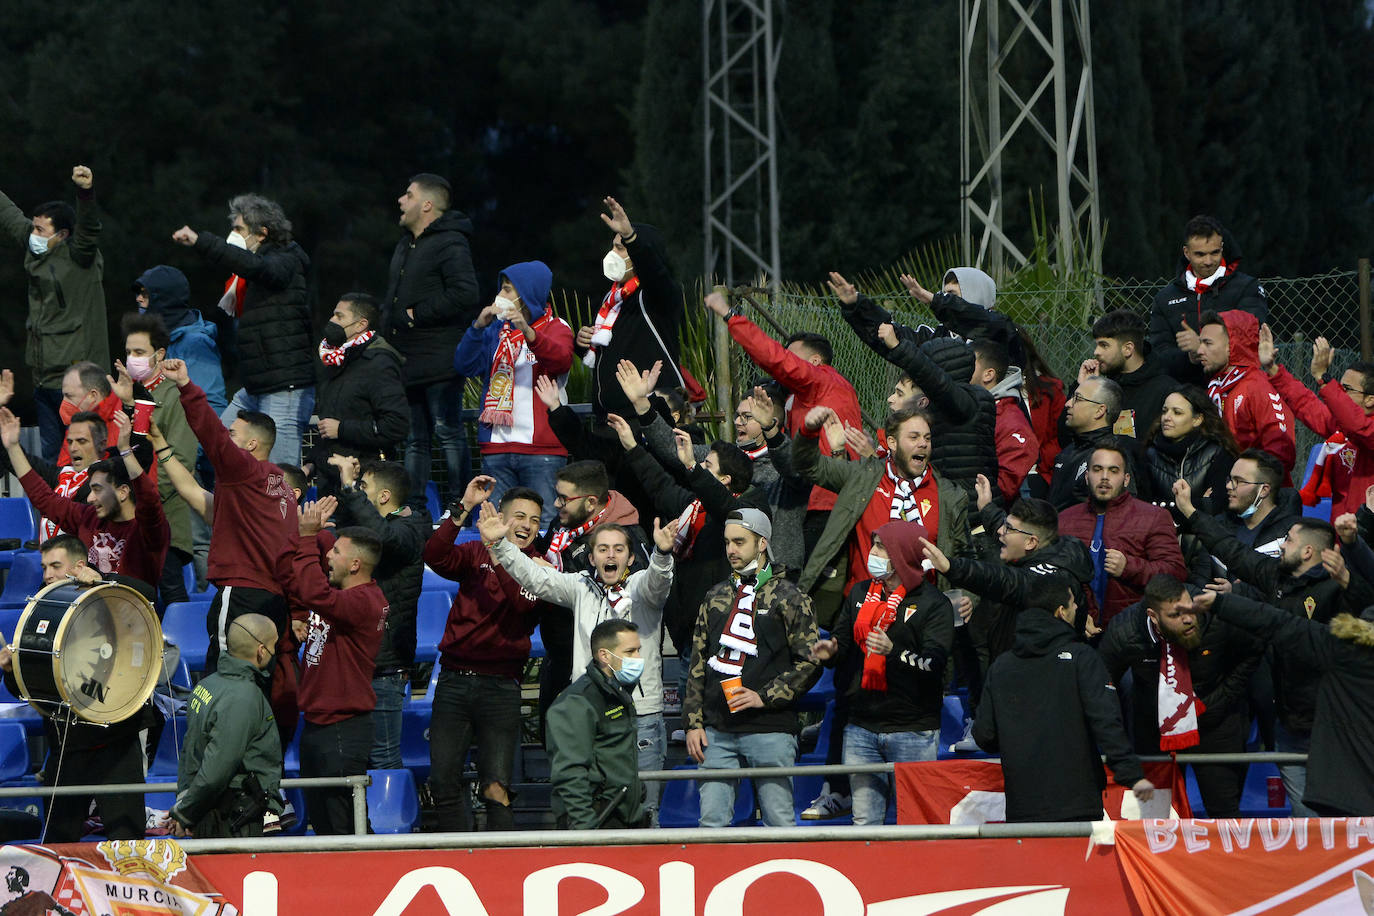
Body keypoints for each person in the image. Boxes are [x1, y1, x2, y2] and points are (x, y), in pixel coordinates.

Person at [1174, 482, 1371, 816]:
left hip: (1331, 729)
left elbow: (1366, 605)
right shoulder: (1277, 578)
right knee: (1308, 825)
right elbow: (1233, 550)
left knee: (1341, 825)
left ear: (1308, 552)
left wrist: (1352, 562)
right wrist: (1192, 512)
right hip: (1288, 725)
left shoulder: (1337, 590)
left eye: (1289, 540)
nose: (1281, 545)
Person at [483, 506, 677, 824]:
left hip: (640, 715)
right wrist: (500, 545)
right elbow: (536, 578)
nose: (610, 555)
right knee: (593, 805)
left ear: (630, 558)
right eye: (602, 549)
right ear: (591, 558)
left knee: (644, 808)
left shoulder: (642, 587)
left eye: (618, 549)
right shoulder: (580, 586)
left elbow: (658, 582)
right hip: (589, 715)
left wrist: (662, 554)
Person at [973, 572, 1154, 822]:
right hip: (1077, 805)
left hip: (1022, 805)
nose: (1078, 607)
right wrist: (1132, 774)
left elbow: (984, 735)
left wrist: (1018, 741)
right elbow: (1106, 721)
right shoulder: (1082, 658)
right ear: (1061, 612)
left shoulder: (1001, 666)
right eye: (1073, 603)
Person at [809, 522, 954, 826]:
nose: (871, 553)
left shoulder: (934, 604)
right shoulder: (860, 593)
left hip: (913, 729)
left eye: (880, 547)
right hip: (861, 726)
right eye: (873, 545)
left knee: (916, 824)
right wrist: (832, 651)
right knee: (864, 824)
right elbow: (843, 640)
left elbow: (934, 665)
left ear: (901, 555)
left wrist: (894, 651)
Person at [684, 509, 820, 827]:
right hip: (717, 731)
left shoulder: (791, 596)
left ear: (762, 543)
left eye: (740, 542)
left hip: (771, 727)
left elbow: (811, 662)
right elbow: (698, 663)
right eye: (728, 542)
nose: (731, 549)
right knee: (710, 826)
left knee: (780, 824)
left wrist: (764, 696)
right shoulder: (715, 596)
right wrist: (693, 722)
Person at [159, 358, 298, 669]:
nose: (227, 438)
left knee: (227, 675)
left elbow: (212, 436)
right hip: (273, 597)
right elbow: (197, 497)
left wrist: (185, 386)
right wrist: (161, 447)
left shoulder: (244, 470)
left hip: (242, 594)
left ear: (251, 444)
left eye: (233, 434)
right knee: (258, 681)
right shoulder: (276, 486)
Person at [423, 476, 544, 831]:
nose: (526, 526)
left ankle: (500, 871)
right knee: (442, 782)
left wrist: (501, 553)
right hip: (453, 681)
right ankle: (456, 860)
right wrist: (463, 506)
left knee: (496, 787)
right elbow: (434, 555)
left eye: (535, 520)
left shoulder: (542, 566)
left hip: (502, 687)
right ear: (500, 518)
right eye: (519, 517)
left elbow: (523, 606)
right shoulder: (475, 551)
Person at [1191, 587, 1374, 815]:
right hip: (1349, 789)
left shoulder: (1343, 648)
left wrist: (1221, 603)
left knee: (1319, 838)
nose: (1282, 547)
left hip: (1348, 795)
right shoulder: (1341, 649)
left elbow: (1278, 622)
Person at [1099, 575, 1262, 817]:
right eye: (1175, 616)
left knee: (1224, 812)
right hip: (1155, 729)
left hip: (1214, 722)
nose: (1187, 619)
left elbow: (1254, 650)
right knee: (1157, 813)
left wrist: (1221, 698)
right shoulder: (1125, 631)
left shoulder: (1217, 615)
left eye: (1189, 610)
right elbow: (1103, 681)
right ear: (1153, 617)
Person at [172, 193, 314, 468]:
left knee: (280, 476)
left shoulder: (285, 261)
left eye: (238, 229)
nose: (232, 235)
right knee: (215, 446)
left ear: (262, 233)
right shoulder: (257, 270)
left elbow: (255, 266)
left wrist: (202, 242)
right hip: (257, 385)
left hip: (284, 387)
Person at [701, 290, 862, 530]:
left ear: (816, 361)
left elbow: (774, 358)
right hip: (825, 499)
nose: (787, 364)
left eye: (793, 357)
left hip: (829, 503)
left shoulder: (821, 381)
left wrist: (730, 315)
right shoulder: (805, 397)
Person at [795, 405, 969, 625]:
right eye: (914, 437)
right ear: (892, 443)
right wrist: (808, 432)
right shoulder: (862, 477)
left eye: (927, 438)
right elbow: (808, 466)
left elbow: (967, 557)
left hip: (919, 619)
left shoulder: (949, 497)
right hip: (861, 610)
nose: (923, 443)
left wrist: (969, 598)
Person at [831, 273, 998, 497]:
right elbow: (893, 338)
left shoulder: (998, 336)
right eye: (942, 294)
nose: (944, 300)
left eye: (953, 295)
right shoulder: (937, 338)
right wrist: (858, 307)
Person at [287, 504, 389, 835]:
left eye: (336, 551)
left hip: (343, 728)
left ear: (355, 564)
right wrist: (311, 530)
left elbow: (312, 591)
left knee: (345, 825)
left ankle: (373, 881)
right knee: (325, 824)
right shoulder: (346, 592)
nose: (328, 555)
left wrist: (307, 536)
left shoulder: (364, 602)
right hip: (318, 725)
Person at [382, 173, 480, 506]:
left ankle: (460, 505)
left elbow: (466, 293)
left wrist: (417, 314)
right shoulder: (406, 244)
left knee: (447, 431)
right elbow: (393, 301)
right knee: (414, 440)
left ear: (427, 205)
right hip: (407, 360)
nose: (400, 200)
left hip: (440, 359)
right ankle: (414, 507)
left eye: (407, 195)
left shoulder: (451, 242)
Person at [454, 260, 573, 527]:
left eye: (508, 290)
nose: (501, 296)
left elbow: (561, 361)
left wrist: (528, 332)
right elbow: (465, 365)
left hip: (542, 450)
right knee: (497, 525)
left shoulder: (557, 327)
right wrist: (477, 328)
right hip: (497, 446)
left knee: (545, 524)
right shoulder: (495, 331)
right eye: (502, 289)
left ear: (528, 292)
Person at [0, 166, 107, 462]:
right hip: (43, 380)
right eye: (33, 227)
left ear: (62, 234)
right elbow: (9, 216)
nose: (32, 234)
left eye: (40, 230)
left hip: (78, 384)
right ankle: (56, 509)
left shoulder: (80, 258)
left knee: (86, 458)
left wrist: (85, 194)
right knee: (52, 460)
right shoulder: (36, 250)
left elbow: (89, 230)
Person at [330, 457, 430, 771]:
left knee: (383, 759)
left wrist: (349, 486)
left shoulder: (409, 529)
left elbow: (383, 539)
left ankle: (391, 819)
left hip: (385, 668)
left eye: (365, 488)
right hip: (359, 663)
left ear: (384, 497)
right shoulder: (379, 525)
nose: (358, 492)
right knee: (353, 760)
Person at [535, 460, 649, 732]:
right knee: (554, 740)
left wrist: (553, 575)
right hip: (558, 656)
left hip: (600, 667)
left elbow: (623, 596)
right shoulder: (561, 525)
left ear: (590, 502)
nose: (556, 503)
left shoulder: (626, 536)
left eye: (564, 498)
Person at [1, 407, 169, 591]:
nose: (89, 498)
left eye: (97, 490)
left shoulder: (148, 528)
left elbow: (149, 497)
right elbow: (43, 498)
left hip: (131, 615)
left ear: (122, 492)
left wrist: (125, 451)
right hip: (88, 613)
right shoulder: (88, 518)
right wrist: (13, 447)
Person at [925, 491, 1095, 671]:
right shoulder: (1057, 547)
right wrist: (987, 508)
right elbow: (1008, 526)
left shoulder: (1047, 582)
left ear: (1030, 543)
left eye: (1008, 528)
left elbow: (1002, 580)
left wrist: (951, 567)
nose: (1000, 531)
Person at [165, 614, 282, 838]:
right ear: (261, 651)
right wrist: (186, 813)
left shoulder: (207, 685)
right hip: (233, 820)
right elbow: (217, 769)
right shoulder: (244, 698)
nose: (275, 652)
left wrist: (185, 802)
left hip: (208, 811)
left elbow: (190, 752)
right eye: (273, 645)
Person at [115, 311, 200, 605]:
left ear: (159, 354)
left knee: (171, 595)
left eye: (139, 352)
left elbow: (181, 460)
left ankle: (181, 648)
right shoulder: (126, 393)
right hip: (128, 518)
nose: (132, 358)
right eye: (128, 352)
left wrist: (140, 498)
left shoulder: (175, 396)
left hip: (164, 520)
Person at [1058, 441, 1186, 626]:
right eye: (1097, 469)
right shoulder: (1065, 519)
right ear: (1087, 476)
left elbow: (1176, 573)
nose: (1104, 477)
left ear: (1126, 479)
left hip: (1131, 631)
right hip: (1075, 628)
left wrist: (1130, 567)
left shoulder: (1153, 517)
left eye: (1113, 470)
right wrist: (1076, 617)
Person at [577, 197, 685, 417]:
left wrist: (631, 238)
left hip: (649, 417)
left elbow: (655, 273)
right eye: (613, 247)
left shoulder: (656, 295)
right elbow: (606, 355)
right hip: (609, 419)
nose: (612, 254)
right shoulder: (613, 298)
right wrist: (581, 343)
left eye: (621, 248)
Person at [1260, 325, 1374, 519]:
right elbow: (1306, 404)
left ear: (1370, 399)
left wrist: (1323, 378)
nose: (1339, 392)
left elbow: (1358, 426)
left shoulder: (1365, 430)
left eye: (1345, 388)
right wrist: (1272, 369)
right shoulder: (1341, 428)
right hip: (1340, 536)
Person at [546, 619, 650, 829]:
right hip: (598, 822)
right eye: (630, 652)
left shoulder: (618, 693)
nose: (638, 658)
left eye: (638, 650)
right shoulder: (577, 702)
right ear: (604, 655)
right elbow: (570, 773)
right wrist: (587, 831)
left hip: (625, 819)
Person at [1149, 215, 1268, 383]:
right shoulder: (1165, 298)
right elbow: (1159, 356)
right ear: (1186, 253)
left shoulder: (1247, 287)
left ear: (1222, 247)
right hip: (1185, 394)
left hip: (1236, 389)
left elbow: (1251, 340)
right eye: (1200, 254)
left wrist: (1202, 346)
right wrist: (1190, 357)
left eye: (1215, 252)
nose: (1208, 261)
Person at [313, 293, 410, 483]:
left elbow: (396, 425)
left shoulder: (379, 363)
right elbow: (328, 423)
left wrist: (342, 429)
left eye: (340, 316)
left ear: (361, 325)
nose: (332, 321)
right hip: (330, 478)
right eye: (333, 315)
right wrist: (311, 462)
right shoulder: (338, 360)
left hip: (366, 480)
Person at [1195, 310, 1296, 481]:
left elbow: (1281, 452)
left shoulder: (1257, 387)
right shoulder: (1216, 389)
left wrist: (1247, 483)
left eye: (1208, 343)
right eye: (1200, 343)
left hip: (1262, 498)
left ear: (1232, 345)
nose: (1199, 351)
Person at [134, 265, 227, 413]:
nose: (138, 299)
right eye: (139, 293)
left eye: (145, 294)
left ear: (164, 299)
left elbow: (211, 405)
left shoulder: (195, 343)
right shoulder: (158, 337)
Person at [1139, 386, 1239, 521]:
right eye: (1164, 411)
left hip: (1202, 540)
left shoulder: (1217, 453)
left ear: (1197, 419)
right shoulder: (1149, 454)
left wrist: (1164, 506)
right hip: (1161, 538)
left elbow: (1217, 507)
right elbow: (1142, 509)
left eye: (1177, 413)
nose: (1167, 417)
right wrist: (1198, 504)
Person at [1083, 310, 1178, 444]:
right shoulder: (1102, 387)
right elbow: (1070, 437)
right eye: (1097, 345)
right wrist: (1085, 389)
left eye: (1104, 345)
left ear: (1128, 349)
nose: (1096, 352)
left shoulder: (1166, 391)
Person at [971, 340, 1039, 505]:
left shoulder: (1010, 422)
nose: (962, 368)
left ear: (988, 374)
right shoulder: (968, 405)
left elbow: (1004, 489)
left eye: (969, 364)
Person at [1048, 375, 1129, 509]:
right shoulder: (1069, 450)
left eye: (1078, 399)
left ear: (1099, 411)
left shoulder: (1114, 456)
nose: (1068, 403)